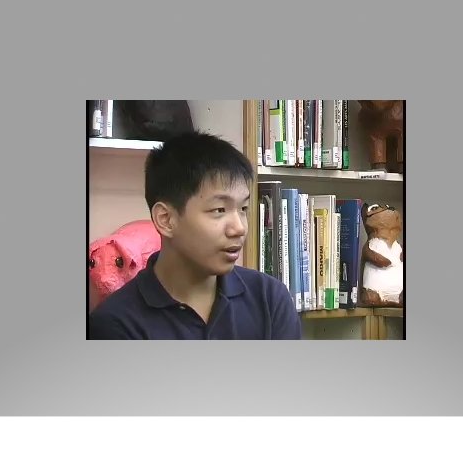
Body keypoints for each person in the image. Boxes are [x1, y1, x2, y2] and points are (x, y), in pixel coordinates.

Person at [88, 130, 302, 340]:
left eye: (243, 209)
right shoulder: (115, 324)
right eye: (219, 210)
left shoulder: (269, 299)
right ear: (166, 219)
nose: (239, 228)